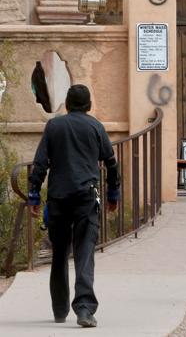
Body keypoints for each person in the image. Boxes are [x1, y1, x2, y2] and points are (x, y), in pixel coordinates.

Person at [27, 84, 120, 328]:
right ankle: (85, 310)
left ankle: (59, 310)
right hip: (86, 199)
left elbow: (40, 163)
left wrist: (34, 195)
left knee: (59, 255)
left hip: (58, 199)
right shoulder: (96, 127)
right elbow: (111, 162)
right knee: (84, 254)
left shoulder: (54, 126)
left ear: (67, 104)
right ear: (88, 105)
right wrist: (113, 194)